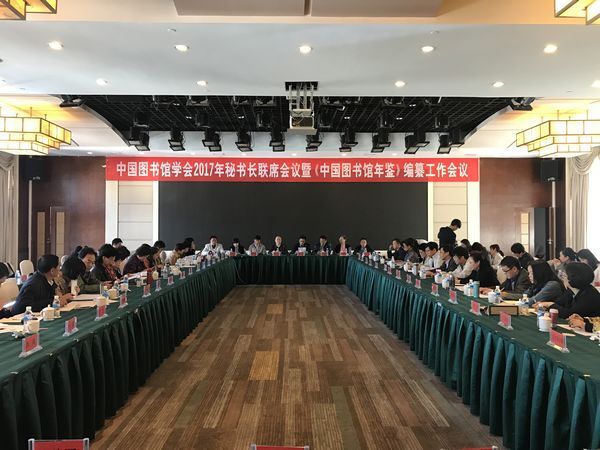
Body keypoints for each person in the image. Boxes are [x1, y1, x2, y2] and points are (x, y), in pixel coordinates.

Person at [536, 262, 600, 319]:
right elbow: (558, 303)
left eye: (564, 276)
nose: (562, 279)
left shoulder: (590, 295)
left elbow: (568, 314)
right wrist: (544, 306)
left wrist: (550, 304)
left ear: (572, 279)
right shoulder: (571, 291)